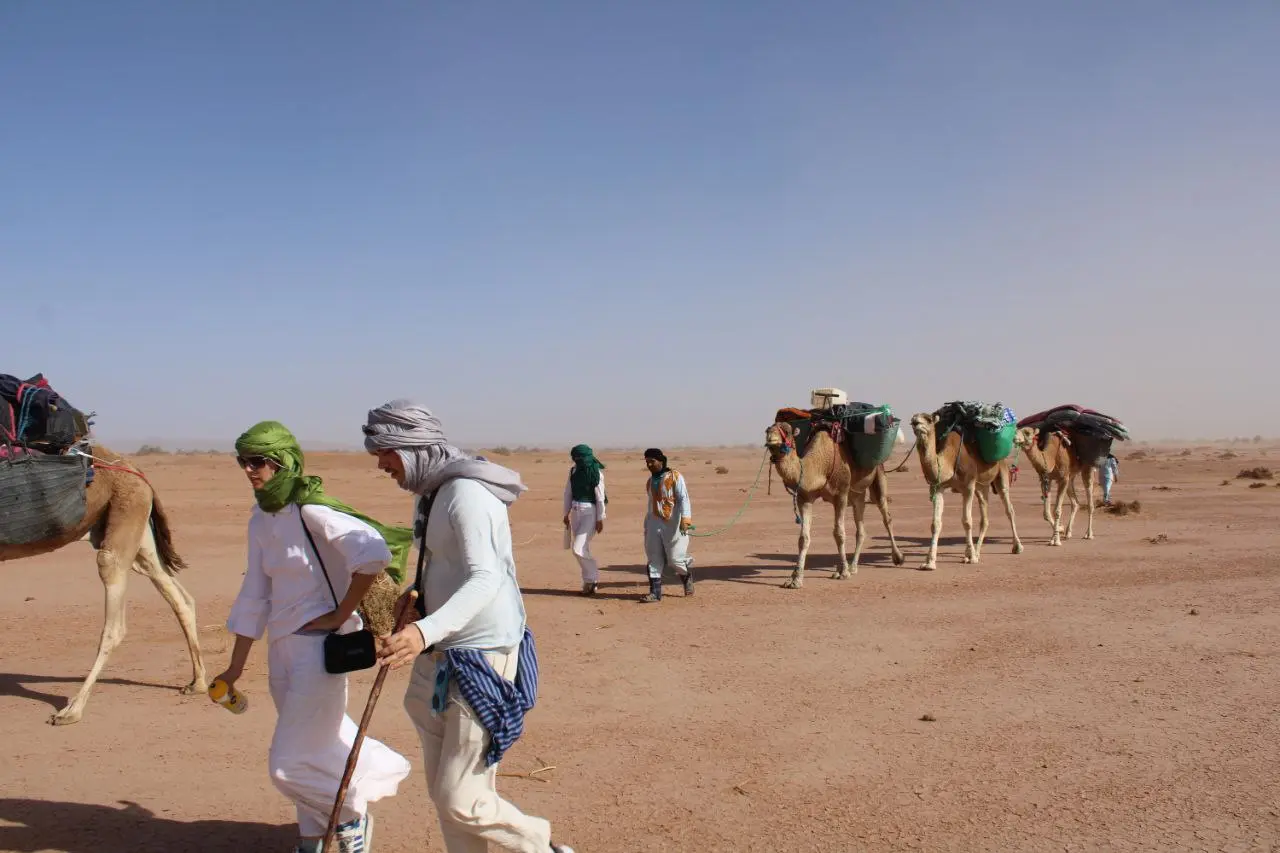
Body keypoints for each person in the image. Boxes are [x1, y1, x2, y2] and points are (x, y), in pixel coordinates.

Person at [362, 400, 574, 853]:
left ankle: (540, 845)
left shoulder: (466, 494)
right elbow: (445, 566)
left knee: (463, 799)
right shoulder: (432, 493)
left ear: (414, 447)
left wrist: (422, 631)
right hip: (440, 650)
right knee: (446, 794)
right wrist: (414, 603)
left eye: (387, 453)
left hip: (480, 654)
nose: (381, 464)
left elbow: (486, 577)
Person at [214, 421, 413, 853]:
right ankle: (312, 840)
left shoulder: (311, 511)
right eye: (243, 462)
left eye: (258, 461)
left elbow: (373, 551)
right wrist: (235, 666)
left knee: (287, 766)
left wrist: (341, 613)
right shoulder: (261, 519)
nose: (250, 470)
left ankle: (348, 818)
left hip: (318, 655)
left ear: (283, 462)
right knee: (313, 750)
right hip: (281, 652)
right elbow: (255, 593)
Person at [640, 447, 694, 602]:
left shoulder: (675, 476)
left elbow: (683, 498)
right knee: (653, 557)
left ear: (661, 461)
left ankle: (686, 576)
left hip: (674, 523)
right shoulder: (650, 482)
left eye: (652, 461)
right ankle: (655, 593)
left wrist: (686, 519)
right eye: (647, 462)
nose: (649, 464)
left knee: (675, 559)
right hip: (653, 523)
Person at [562, 444, 607, 595]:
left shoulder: (596, 473)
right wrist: (565, 513)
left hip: (590, 512)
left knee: (578, 548)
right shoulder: (573, 471)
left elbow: (600, 498)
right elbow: (568, 493)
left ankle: (592, 578)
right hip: (575, 512)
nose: (578, 461)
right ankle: (589, 582)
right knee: (582, 547)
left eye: (581, 458)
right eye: (576, 458)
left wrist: (600, 518)